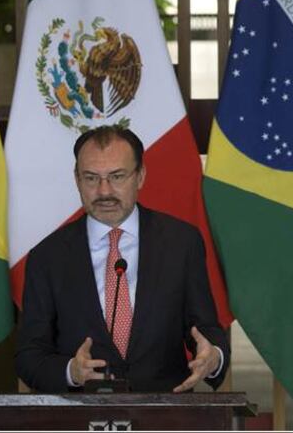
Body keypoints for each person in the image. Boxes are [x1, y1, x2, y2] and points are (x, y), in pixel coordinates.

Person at [16, 125, 229, 392]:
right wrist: (71, 371)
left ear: (140, 176)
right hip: (79, 417)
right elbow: (29, 356)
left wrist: (213, 359)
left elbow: (205, 329)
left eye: (117, 177)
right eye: (91, 178)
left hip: (164, 415)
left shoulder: (181, 243)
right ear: (77, 180)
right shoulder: (47, 257)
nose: (104, 191)